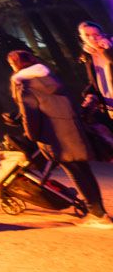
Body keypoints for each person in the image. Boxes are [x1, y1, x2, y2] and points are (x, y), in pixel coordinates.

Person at [9, 49, 112, 227]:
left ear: (15, 65)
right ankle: (99, 211)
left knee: (76, 173)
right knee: (83, 171)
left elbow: (30, 114)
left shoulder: (24, 85)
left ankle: (98, 214)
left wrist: (31, 135)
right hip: (72, 130)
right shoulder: (51, 78)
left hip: (53, 136)